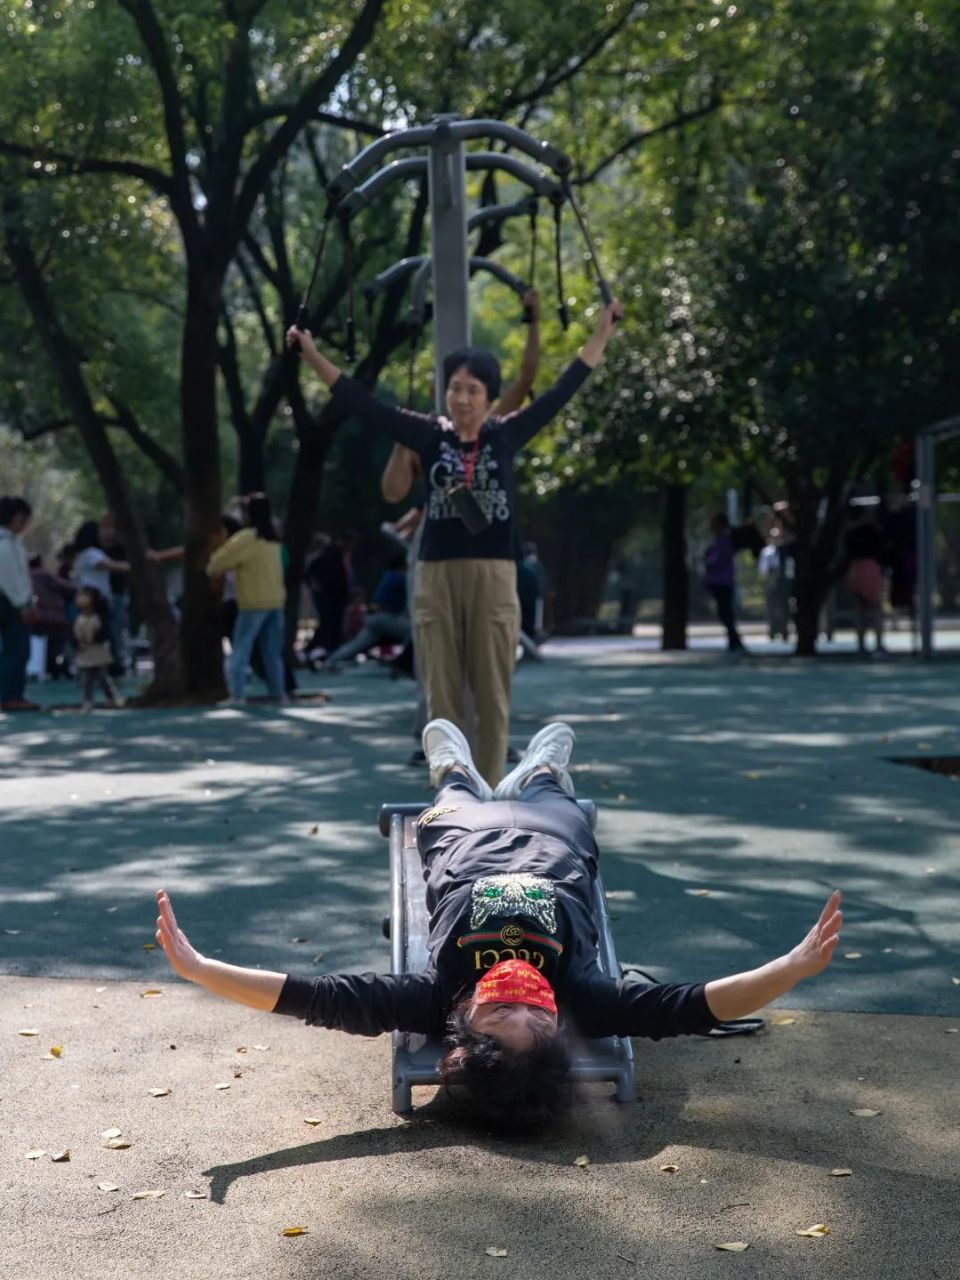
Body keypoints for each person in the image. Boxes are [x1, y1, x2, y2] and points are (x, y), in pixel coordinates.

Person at [156, 719, 844, 1130]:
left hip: (460, 835)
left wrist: (201, 969)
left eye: (499, 1011)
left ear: (459, 1035)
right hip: (556, 834)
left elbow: (316, 998)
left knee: (452, 786)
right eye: (535, 1015)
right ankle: (540, 771)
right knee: (551, 782)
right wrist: (791, 967)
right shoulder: (584, 996)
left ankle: (455, 769)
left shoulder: (433, 995)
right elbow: (693, 1007)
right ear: (560, 1026)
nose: (521, 996)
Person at [287, 297, 624, 785]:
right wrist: (311, 352)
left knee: (492, 693)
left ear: (489, 398)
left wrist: (603, 331)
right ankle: (452, 794)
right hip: (436, 574)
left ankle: (491, 794)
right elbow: (360, 401)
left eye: (474, 390)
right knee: (441, 695)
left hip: (494, 575)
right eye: (455, 388)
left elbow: (563, 388)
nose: (462, 398)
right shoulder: (428, 436)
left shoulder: (505, 435)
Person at [206, 494, 287, 704]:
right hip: (276, 601)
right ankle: (278, 693)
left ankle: (237, 694)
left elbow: (215, 564)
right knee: (272, 653)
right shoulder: (273, 540)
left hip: (253, 602)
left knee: (241, 648)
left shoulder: (245, 539)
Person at [320, 553, 410, 669]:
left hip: (376, 617)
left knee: (356, 645)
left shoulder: (390, 575)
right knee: (413, 632)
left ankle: (330, 661)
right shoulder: (398, 577)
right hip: (383, 618)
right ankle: (406, 662)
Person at [0, 496, 38, 712]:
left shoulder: (14, 542)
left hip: (18, 603)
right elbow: (9, 580)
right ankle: (9, 696)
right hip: (11, 605)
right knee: (16, 650)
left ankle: (14, 694)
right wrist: (22, 604)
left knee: (20, 650)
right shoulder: (4, 545)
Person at [73, 586, 124, 711]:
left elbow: (104, 633)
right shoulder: (77, 616)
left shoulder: (99, 616)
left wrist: (93, 640)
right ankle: (88, 701)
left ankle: (110, 697)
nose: (81, 598)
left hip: (98, 651)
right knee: (86, 679)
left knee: (103, 677)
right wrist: (78, 643)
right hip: (84, 652)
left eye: (85, 595)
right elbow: (73, 633)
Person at [845, 508, 886, 656]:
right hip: (871, 568)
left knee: (860, 609)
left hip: (857, 568)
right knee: (875, 608)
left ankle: (862, 645)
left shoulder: (852, 532)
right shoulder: (875, 531)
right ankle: (876, 643)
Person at [704, 513, 747, 653]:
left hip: (722, 582)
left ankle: (734, 640)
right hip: (720, 581)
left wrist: (708, 559)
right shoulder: (718, 541)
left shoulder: (723, 541)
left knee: (725, 612)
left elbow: (717, 560)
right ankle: (733, 640)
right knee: (724, 612)